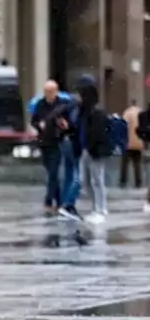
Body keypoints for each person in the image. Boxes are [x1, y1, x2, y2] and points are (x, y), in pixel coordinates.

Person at [31, 80, 74, 217]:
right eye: (46, 92)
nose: (48, 94)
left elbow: (70, 122)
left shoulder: (62, 104)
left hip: (57, 141)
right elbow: (34, 120)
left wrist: (65, 124)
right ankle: (59, 201)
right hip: (44, 142)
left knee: (54, 173)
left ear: (56, 91)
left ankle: (48, 200)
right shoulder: (40, 104)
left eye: (51, 91)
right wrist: (39, 125)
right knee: (51, 173)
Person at [71, 75, 110, 223]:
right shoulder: (82, 110)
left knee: (97, 181)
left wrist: (93, 146)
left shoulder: (96, 111)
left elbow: (99, 133)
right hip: (86, 149)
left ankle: (101, 209)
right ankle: (95, 208)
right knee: (86, 181)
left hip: (95, 151)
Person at [121, 100, 143, 189]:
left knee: (124, 163)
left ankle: (123, 181)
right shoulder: (141, 112)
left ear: (130, 103)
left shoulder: (127, 113)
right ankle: (138, 182)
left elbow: (122, 126)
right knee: (137, 164)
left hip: (128, 143)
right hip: (138, 142)